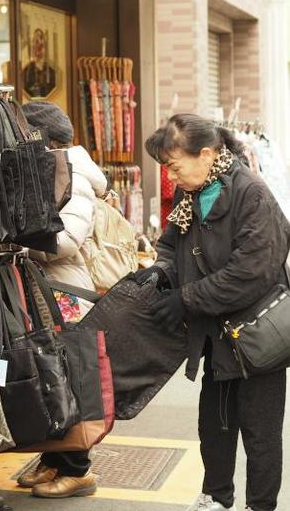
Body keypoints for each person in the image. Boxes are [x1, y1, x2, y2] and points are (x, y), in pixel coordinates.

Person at [136, 114, 290, 511]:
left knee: (261, 434)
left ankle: (261, 506)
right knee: (215, 426)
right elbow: (170, 245)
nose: (171, 177)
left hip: (258, 337)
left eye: (174, 165)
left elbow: (251, 271)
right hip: (216, 333)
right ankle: (217, 497)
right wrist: (160, 273)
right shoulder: (192, 194)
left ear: (205, 154)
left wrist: (186, 298)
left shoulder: (251, 193)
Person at [16, 100, 107, 499]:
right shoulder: (45, 170)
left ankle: (79, 469)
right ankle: (53, 459)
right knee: (46, 376)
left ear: (45, 139)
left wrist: (17, 243)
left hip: (66, 291)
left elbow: (66, 240)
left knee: (70, 379)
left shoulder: (74, 175)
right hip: (42, 290)